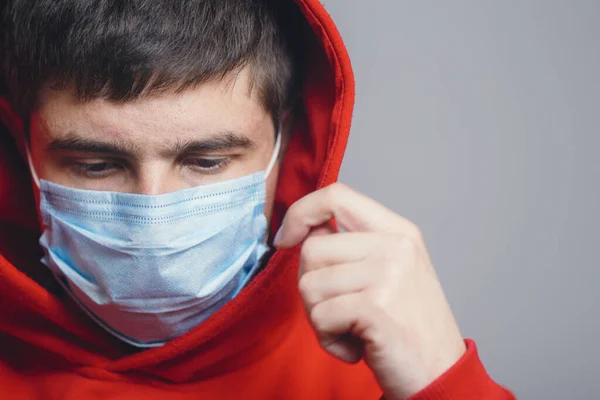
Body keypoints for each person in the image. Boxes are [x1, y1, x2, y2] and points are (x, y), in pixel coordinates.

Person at [0, 1, 515, 399]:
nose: (151, 217)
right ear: (23, 146)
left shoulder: (379, 364)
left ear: (285, 142)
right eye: (94, 164)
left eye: (207, 161)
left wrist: (445, 385)